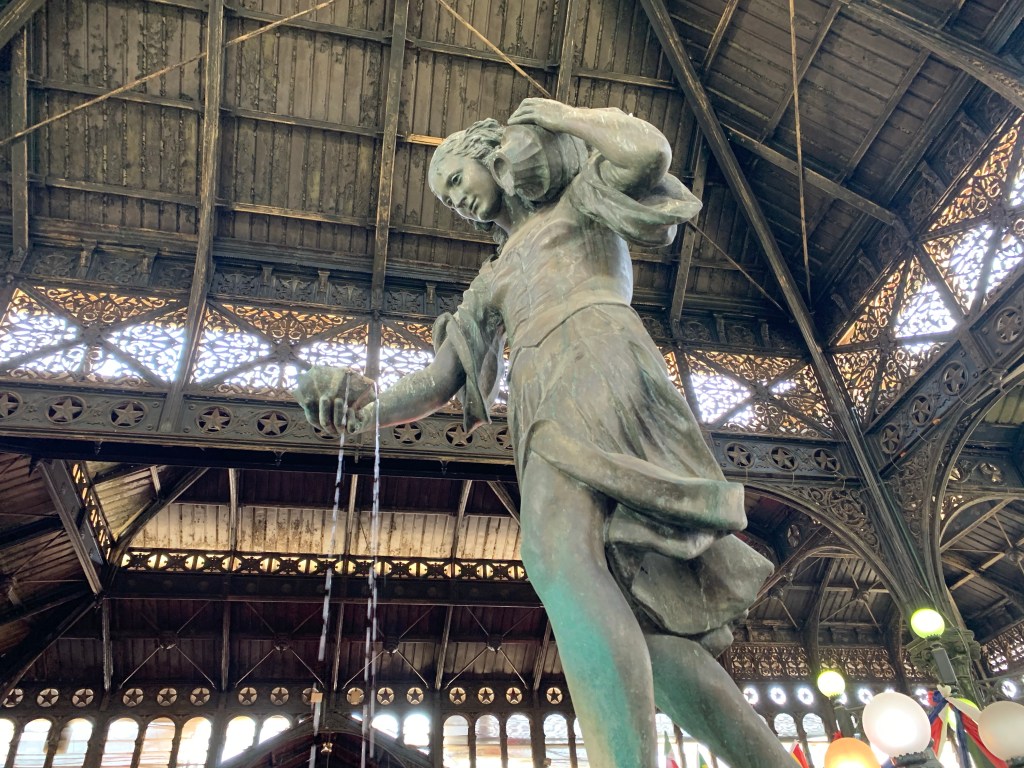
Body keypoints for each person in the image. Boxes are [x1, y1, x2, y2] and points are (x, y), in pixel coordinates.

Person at [296, 98, 794, 768]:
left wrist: (561, 117)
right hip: (538, 395)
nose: (456, 201)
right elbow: (441, 380)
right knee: (652, 642)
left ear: (492, 153)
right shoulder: (492, 277)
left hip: (595, 357)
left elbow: (646, 153)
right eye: (445, 198)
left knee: (556, 555)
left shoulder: (580, 200)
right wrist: (362, 409)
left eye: (456, 178)